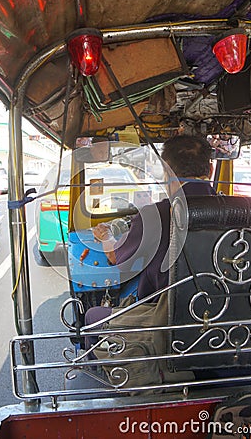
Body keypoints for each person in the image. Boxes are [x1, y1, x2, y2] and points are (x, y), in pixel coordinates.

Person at [84, 134, 216, 349]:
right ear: (210, 170)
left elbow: (117, 258)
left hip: (166, 323)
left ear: (166, 173)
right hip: (228, 323)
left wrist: (107, 238)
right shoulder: (242, 212)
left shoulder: (155, 215)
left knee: (92, 316)